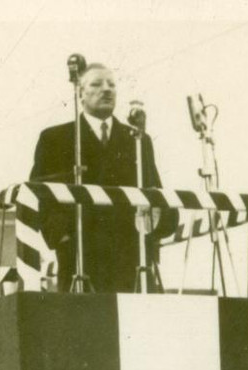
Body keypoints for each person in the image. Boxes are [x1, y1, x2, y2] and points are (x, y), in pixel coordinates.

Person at [30, 62, 171, 292]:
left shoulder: (137, 140)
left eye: (112, 85)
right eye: (96, 84)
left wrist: (152, 232)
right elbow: (39, 197)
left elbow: (156, 194)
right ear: (80, 93)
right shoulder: (56, 139)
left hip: (131, 260)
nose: (106, 90)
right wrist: (63, 238)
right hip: (81, 261)